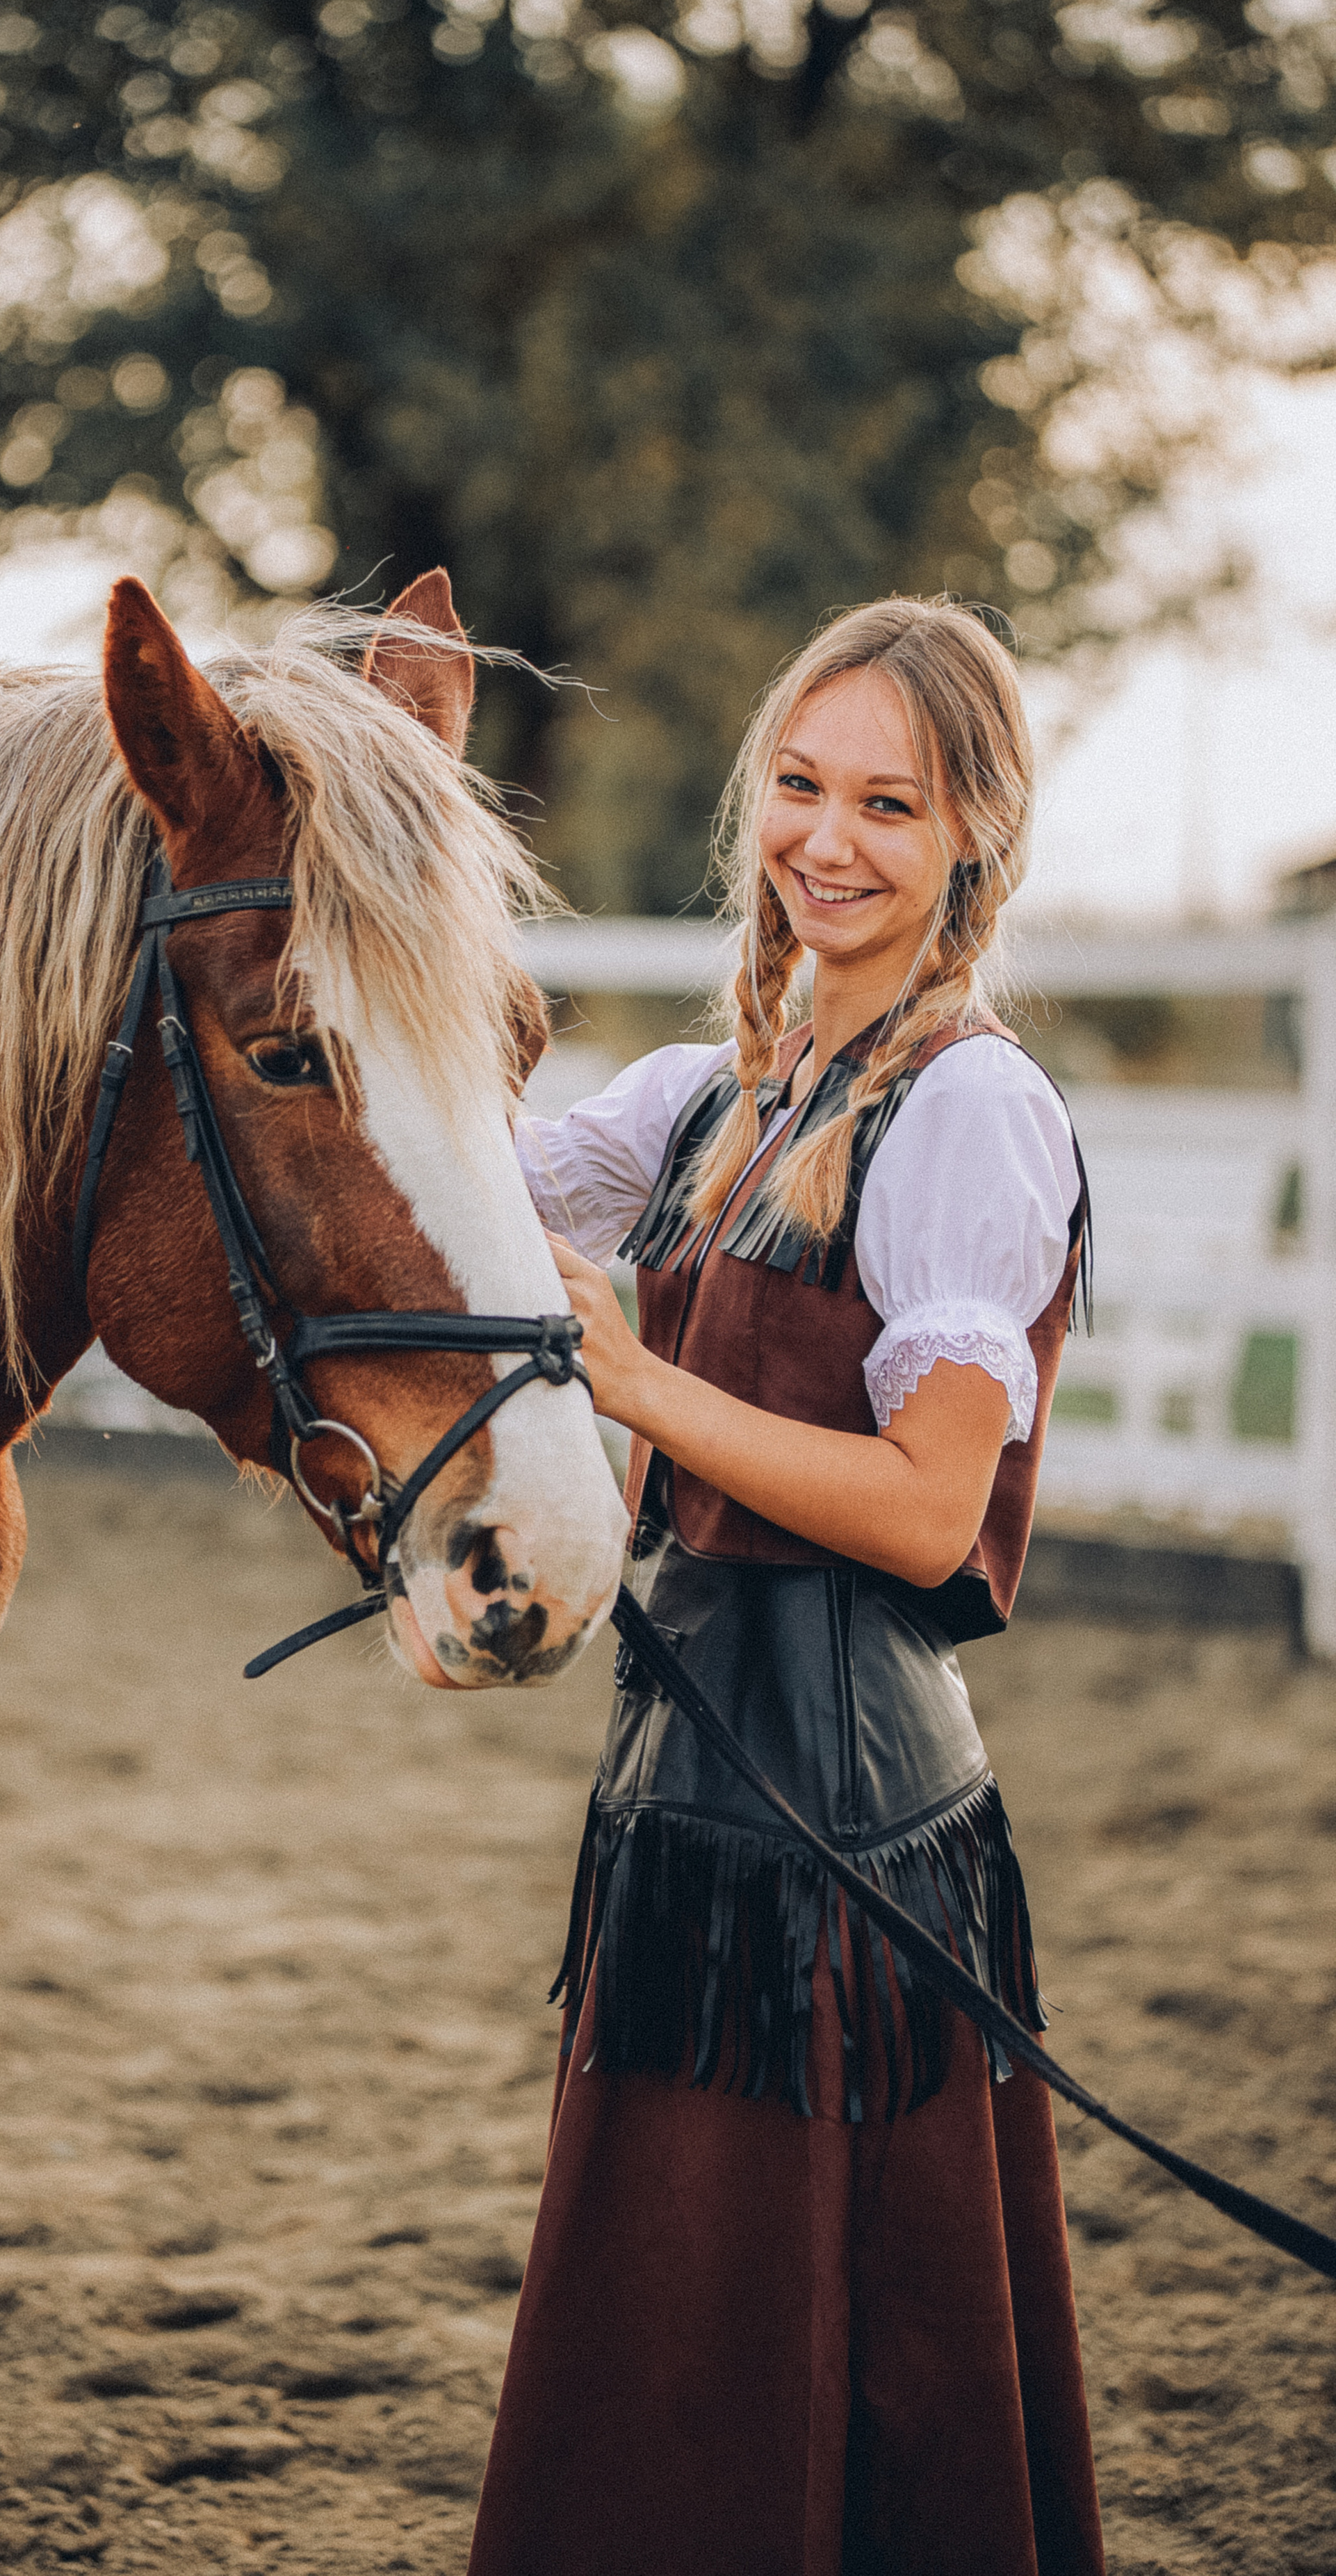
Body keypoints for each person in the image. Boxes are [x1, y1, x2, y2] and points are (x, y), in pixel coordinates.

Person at [469, 598, 1104, 2576]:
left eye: (889, 805)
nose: (830, 842)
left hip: (846, 1851)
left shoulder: (973, 1113)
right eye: (804, 792)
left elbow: (930, 1514)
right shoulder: (702, 1096)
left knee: (831, 2363)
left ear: (972, 839)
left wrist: (641, 1383)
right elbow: (453, 1192)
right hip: (683, 1809)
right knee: (664, 2338)